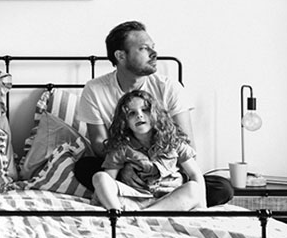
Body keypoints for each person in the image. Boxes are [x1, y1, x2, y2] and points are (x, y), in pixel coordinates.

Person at [73, 20, 233, 207]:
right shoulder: (95, 89)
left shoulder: (169, 87)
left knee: (222, 187)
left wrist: (164, 171)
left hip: (168, 169)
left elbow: (187, 143)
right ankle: (162, 203)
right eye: (143, 48)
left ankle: (157, 199)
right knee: (85, 167)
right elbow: (99, 144)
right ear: (120, 56)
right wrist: (130, 164)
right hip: (125, 167)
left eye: (153, 47)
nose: (154, 53)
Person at [91, 89, 204, 211]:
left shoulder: (173, 142)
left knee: (194, 188)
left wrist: (202, 208)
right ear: (124, 122)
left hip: (167, 200)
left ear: (156, 114)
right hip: (134, 198)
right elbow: (109, 180)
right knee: (100, 177)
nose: (139, 115)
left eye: (145, 110)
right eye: (132, 113)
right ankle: (115, 213)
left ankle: (144, 215)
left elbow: (195, 174)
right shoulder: (121, 147)